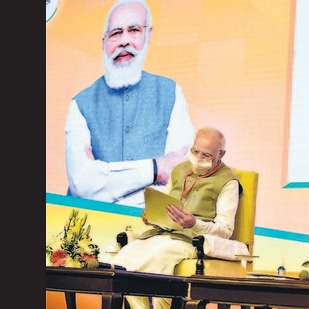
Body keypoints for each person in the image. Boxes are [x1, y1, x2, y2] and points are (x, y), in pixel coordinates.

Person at [65, 0, 195, 208]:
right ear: (104, 42)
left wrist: (105, 180)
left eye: (133, 30)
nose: (124, 41)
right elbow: (82, 184)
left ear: (148, 35)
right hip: (90, 225)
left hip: (151, 229)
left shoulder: (170, 92)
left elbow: (180, 180)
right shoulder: (80, 104)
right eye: (115, 33)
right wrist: (156, 169)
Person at [110, 127, 241, 309]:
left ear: (221, 154)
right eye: (195, 151)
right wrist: (152, 216)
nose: (199, 158)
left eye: (206, 155)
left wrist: (194, 224)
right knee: (123, 260)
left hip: (190, 241)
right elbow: (163, 203)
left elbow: (225, 230)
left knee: (158, 259)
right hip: (161, 235)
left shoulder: (229, 182)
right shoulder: (180, 169)